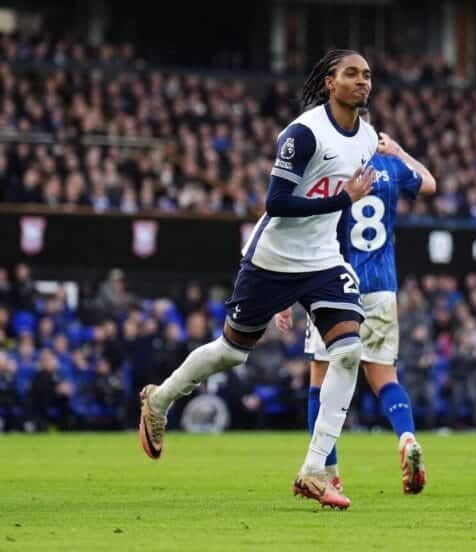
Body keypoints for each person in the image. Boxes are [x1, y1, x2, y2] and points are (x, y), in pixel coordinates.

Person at [138, 49, 378, 510]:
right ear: (330, 81)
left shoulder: (366, 139)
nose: (362, 82)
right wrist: (341, 201)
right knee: (231, 354)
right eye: (352, 74)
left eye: (367, 75)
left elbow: (343, 211)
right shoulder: (304, 133)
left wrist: (343, 254)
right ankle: (160, 399)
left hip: (323, 262)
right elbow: (277, 202)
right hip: (272, 260)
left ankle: (313, 470)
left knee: (349, 352)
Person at [277, 130, 436, 494]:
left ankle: (328, 472)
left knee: (320, 381)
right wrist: (400, 150)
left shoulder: (331, 168)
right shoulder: (391, 167)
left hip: (333, 284)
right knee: (385, 378)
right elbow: (429, 183)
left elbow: (300, 227)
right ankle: (407, 437)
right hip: (381, 287)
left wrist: (285, 293)